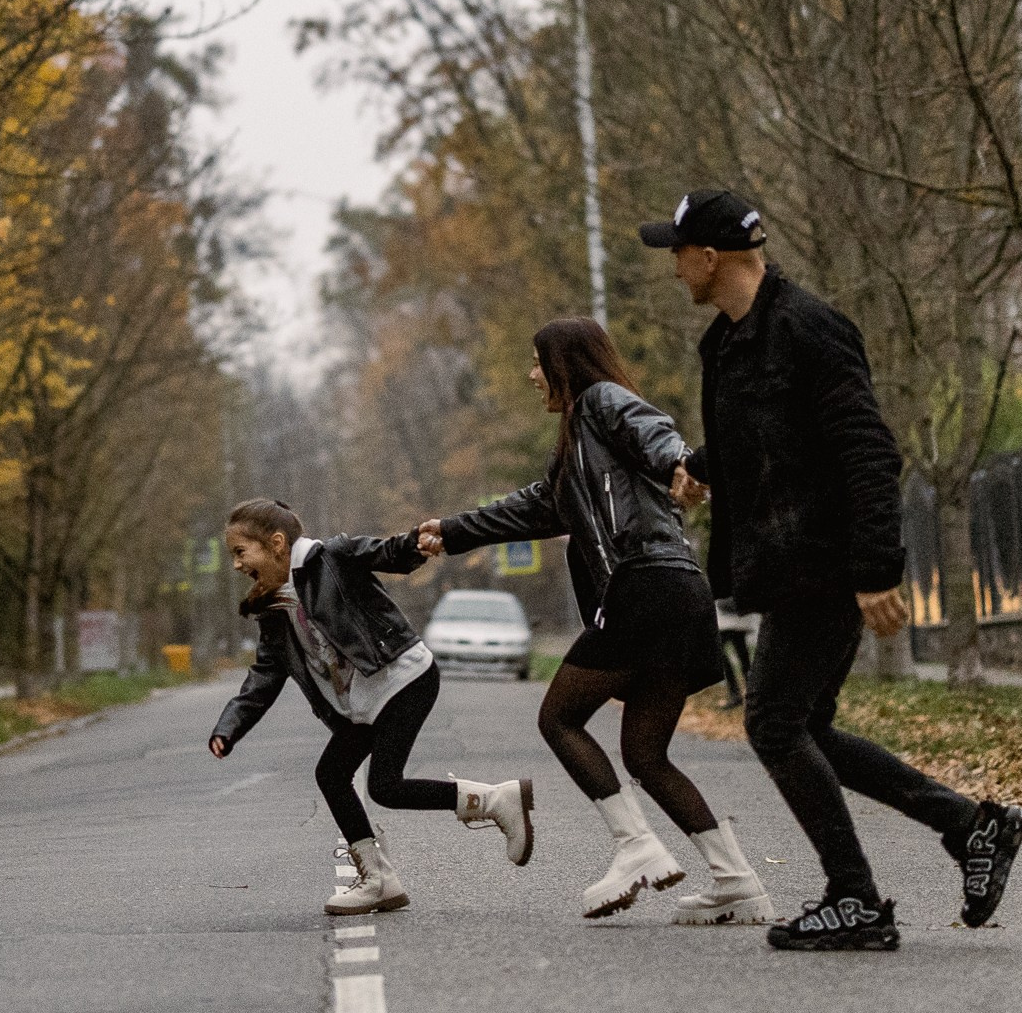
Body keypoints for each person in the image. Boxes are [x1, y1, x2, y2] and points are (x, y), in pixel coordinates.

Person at [646, 189, 1022, 951]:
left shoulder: (810, 330)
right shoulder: (725, 343)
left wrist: (877, 568)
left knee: (774, 722)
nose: (672, 267)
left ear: (711, 256)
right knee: (805, 725)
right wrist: (697, 467)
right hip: (783, 563)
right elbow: (758, 436)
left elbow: (867, 450)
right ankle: (970, 825)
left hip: (825, 561)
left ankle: (855, 897)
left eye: (678, 251)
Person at [416, 318, 773, 926]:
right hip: (677, 592)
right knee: (645, 754)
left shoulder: (603, 401)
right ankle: (738, 882)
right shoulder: (577, 446)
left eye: (537, 364)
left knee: (558, 717)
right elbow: (536, 507)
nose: (533, 377)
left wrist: (682, 464)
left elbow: (654, 432)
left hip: (646, 585)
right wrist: (450, 532)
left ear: (565, 363)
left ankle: (635, 847)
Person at [209, 498, 535, 915]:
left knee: (384, 785)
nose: (236, 564)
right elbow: (265, 675)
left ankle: (494, 802)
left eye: (241, 552)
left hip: (402, 678)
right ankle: (380, 879)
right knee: (332, 773)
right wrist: (229, 725)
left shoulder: (330, 558)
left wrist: (421, 541)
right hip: (361, 701)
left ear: (275, 543)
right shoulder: (274, 607)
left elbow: (388, 553)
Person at [716, 598, 758, 711]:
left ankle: (738, 694)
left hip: (732, 614)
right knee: (741, 653)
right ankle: (747, 694)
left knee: (738, 653)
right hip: (738, 613)